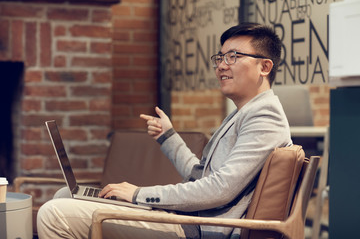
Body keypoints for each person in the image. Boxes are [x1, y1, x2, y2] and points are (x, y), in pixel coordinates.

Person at [37, 22, 292, 239]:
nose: (222, 65)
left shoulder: (264, 116)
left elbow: (220, 189)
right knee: (65, 194)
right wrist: (168, 137)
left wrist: (138, 194)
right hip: (189, 218)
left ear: (265, 67)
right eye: (220, 57)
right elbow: (200, 176)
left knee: (55, 213)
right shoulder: (243, 113)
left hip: (198, 228)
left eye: (233, 56)